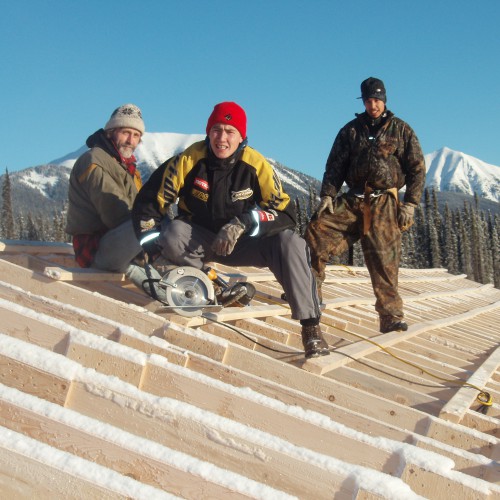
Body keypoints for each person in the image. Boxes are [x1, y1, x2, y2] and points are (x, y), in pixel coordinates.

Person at [132, 101, 330, 359]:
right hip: (199, 240)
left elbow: (285, 212)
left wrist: (244, 223)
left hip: (245, 242)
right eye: (217, 130)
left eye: (230, 131)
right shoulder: (189, 160)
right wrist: (150, 248)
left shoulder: (255, 165)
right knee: (173, 233)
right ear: (208, 132)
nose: (222, 138)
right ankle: (208, 285)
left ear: (241, 137)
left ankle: (311, 327)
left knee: (291, 243)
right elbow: (149, 202)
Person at [304, 78, 426, 333]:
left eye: (377, 100)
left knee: (385, 259)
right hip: (353, 199)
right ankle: (310, 293)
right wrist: (327, 195)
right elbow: (335, 165)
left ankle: (390, 317)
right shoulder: (350, 131)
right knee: (317, 231)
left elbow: (417, 168)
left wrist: (410, 204)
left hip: (384, 201)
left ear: (385, 100)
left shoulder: (401, 130)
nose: (373, 105)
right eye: (369, 100)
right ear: (363, 101)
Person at [65, 103, 165, 300]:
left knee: (166, 227)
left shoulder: (126, 167)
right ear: (111, 131)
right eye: (126, 132)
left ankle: (172, 288)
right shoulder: (94, 160)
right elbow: (114, 210)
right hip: (96, 248)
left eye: (136, 135)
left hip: (119, 243)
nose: (130, 140)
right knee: (148, 225)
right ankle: (147, 279)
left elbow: (137, 208)